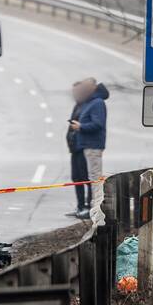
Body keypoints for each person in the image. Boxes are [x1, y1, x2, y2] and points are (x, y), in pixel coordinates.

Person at [69, 77, 109, 222]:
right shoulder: (89, 102)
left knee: (95, 179)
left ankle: (96, 209)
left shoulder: (97, 103)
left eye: (85, 87)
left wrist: (81, 127)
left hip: (93, 146)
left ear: (93, 87)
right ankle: (93, 208)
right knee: (92, 177)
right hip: (86, 146)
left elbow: (98, 124)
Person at [66, 81, 90, 218]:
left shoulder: (91, 105)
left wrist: (81, 127)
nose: (75, 94)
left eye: (77, 91)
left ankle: (88, 207)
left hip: (83, 147)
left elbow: (98, 124)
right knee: (76, 178)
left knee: (86, 178)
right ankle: (80, 206)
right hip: (75, 147)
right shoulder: (78, 105)